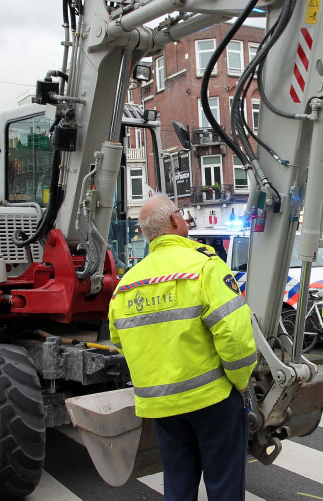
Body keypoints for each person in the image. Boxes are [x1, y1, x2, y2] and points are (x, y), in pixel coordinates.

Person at [109, 194, 257, 500]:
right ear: (175, 221)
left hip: (162, 405)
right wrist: (241, 382)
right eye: (181, 213)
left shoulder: (127, 284)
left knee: (178, 484)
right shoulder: (204, 267)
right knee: (224, 486)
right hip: (212, 399)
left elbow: (119, 338)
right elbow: (235, 335)